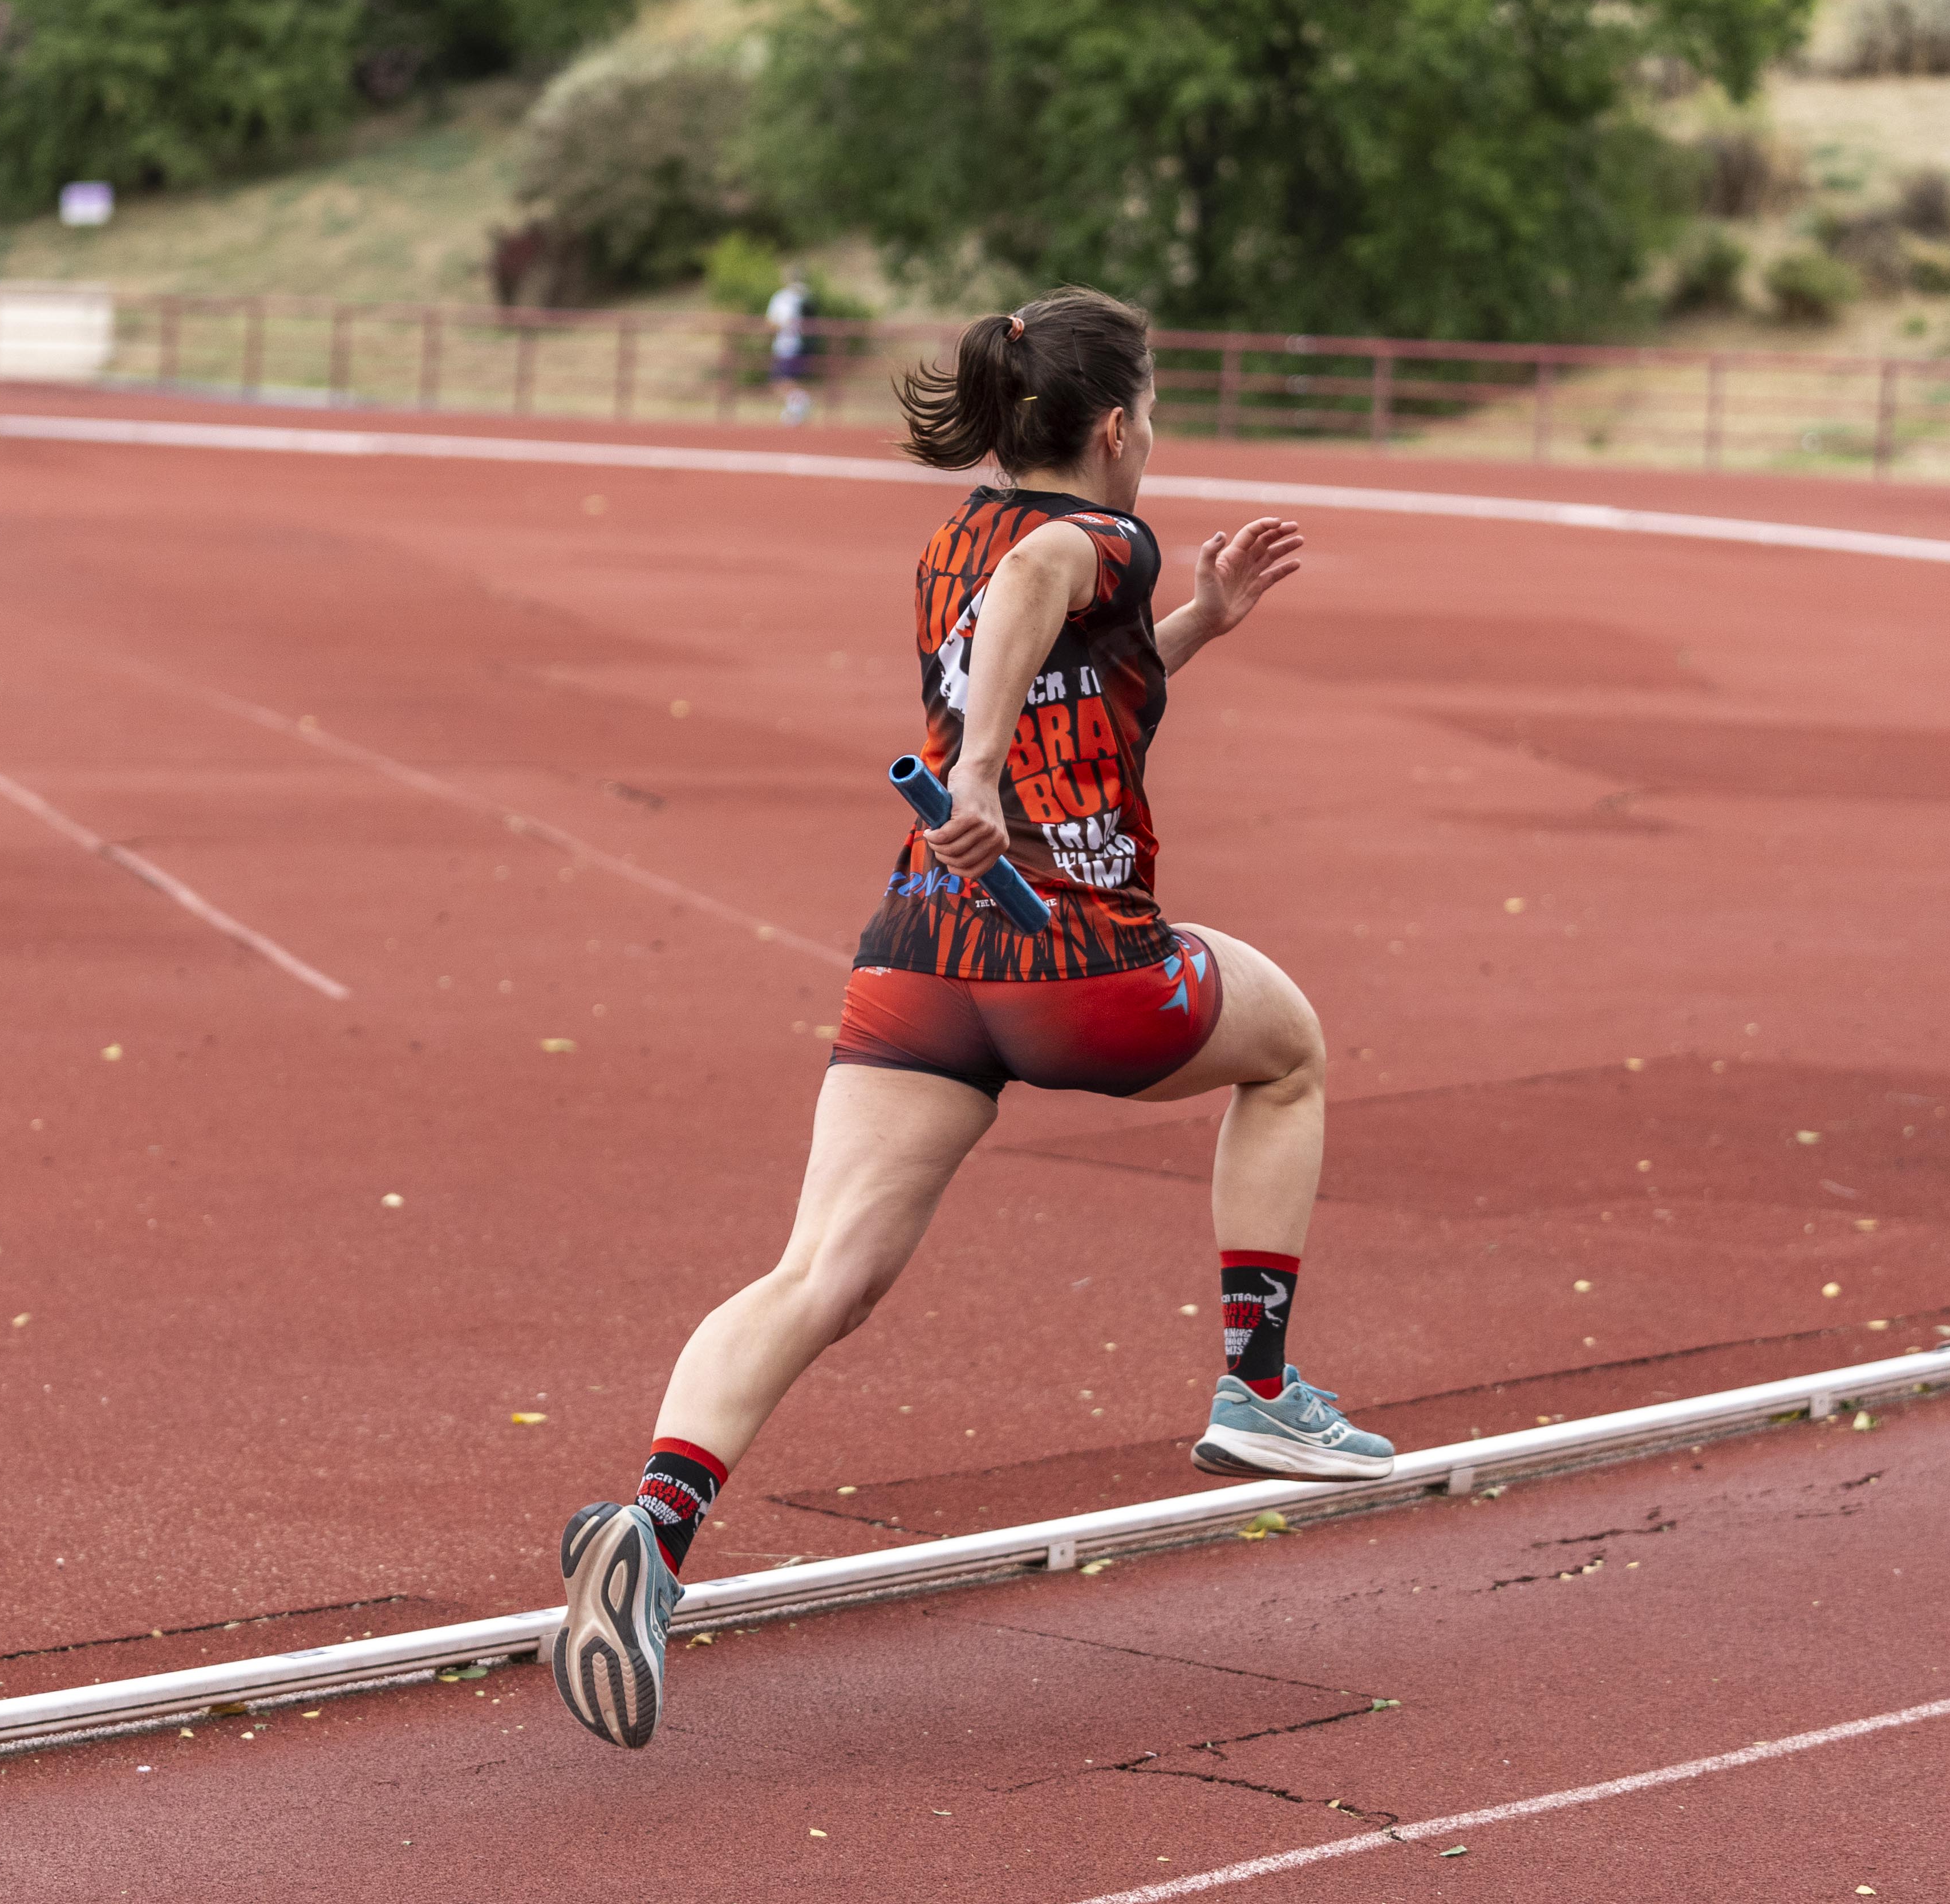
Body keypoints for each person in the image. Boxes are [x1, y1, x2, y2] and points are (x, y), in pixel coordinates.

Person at [554, 285, 1389, 1751]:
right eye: (1158, 412)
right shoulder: (1097, 535)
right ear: (1116, 426)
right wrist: (989, 773)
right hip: (1078, 968)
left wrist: (1198, 621)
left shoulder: (955, 538)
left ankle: (653, 1530)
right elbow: (1044, 593)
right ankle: (1257, 1383)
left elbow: (1061, 650)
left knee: (819, 1272)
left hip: (919, 964)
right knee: (1295, 1050)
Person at [765, 262, 814, 425]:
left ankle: (799, 402)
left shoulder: (782, 297)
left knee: (780, 380)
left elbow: (772, 323)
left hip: (787, 344)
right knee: (785, 379)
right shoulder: (806, 295)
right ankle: (795, 408)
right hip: (805, 343)